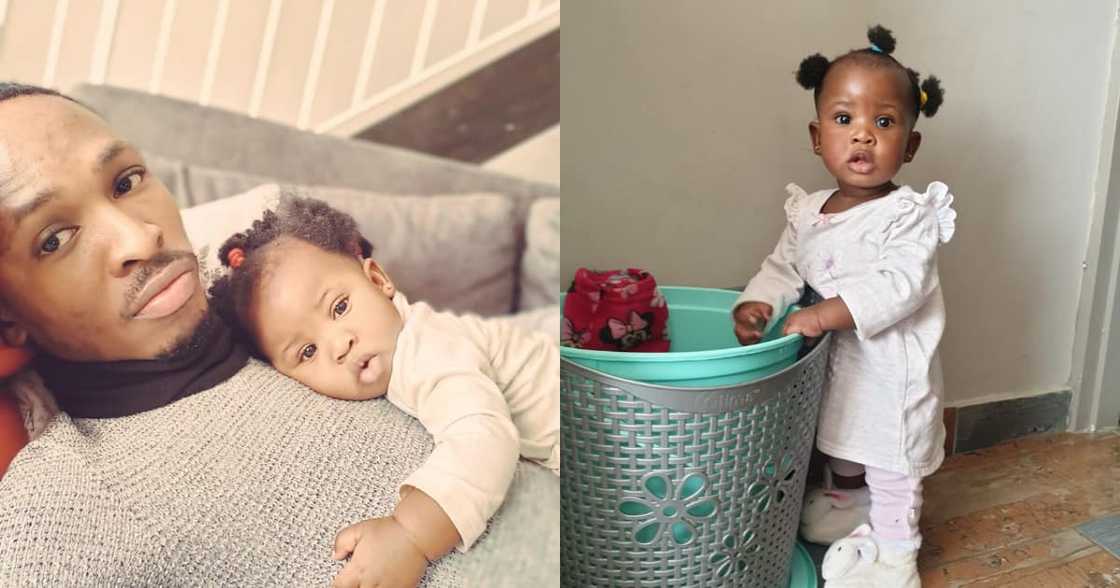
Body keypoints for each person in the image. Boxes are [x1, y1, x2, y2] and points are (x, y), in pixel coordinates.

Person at [0, 82, 542, 587]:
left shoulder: (274, 304)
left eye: (126, 182)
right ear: (8, 318)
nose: (139, 236)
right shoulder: (70, 508)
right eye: (54, 239)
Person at [204, 196, 560, 587]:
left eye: (339, 308)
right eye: (308, 351)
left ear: (377, 281)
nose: (339, 345)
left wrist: (410, 535)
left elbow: (484, 433)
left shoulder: (426, 348)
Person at [733, 26, 953, 587]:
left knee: (887, 457)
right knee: (840, 437)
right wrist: (758, 302)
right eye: (844, 119)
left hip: (889, 372)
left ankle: (896, 553)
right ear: (816, 135)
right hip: (838, 366)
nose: (863, 137)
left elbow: (901, 283)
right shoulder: (808, 212)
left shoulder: (908, 215)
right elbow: (785, 265)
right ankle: (845, 508)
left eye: (883, 122)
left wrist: (826, 313)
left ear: (910, 144)